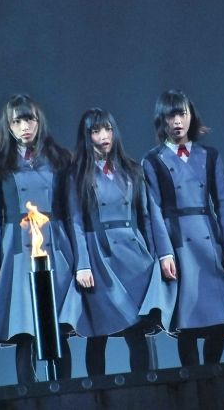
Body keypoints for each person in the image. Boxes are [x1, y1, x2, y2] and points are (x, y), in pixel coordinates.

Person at [142, 89, 224, 366]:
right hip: (178, 243)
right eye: (170, 116)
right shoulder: (153, 160)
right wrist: (164, 253)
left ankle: (212, 372)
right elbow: (153, 211)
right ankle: (192, 379)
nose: (177, 121)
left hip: (209, 240)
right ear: (162, 120)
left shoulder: (210, 155)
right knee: (186, 322)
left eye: (182, 114)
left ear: (191, 116)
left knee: (218, 317)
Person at [59, 108, 157, 376]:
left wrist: (152, 255)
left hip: (133, 255)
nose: (104, 136)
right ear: (86, 136)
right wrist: (82, 264)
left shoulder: (132, 169)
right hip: (98, 255)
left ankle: (144, 388)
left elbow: (145, 217)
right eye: (96, 131)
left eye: (108, 129)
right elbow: (75, 222)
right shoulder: (77, 174)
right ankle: (97, 393)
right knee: (98, 332)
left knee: (136, 330)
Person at [0, 94, 72, 383]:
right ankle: (28, 396)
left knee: (57, 325)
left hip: (54, 242)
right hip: (17, 247)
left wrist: (78, 258)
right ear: (8, 126)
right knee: (24, 328)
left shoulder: (59, 158)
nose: (24, 127)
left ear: (38, 121)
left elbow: (70, 212)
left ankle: (67, 392)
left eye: (29, 119)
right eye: (17, 121)